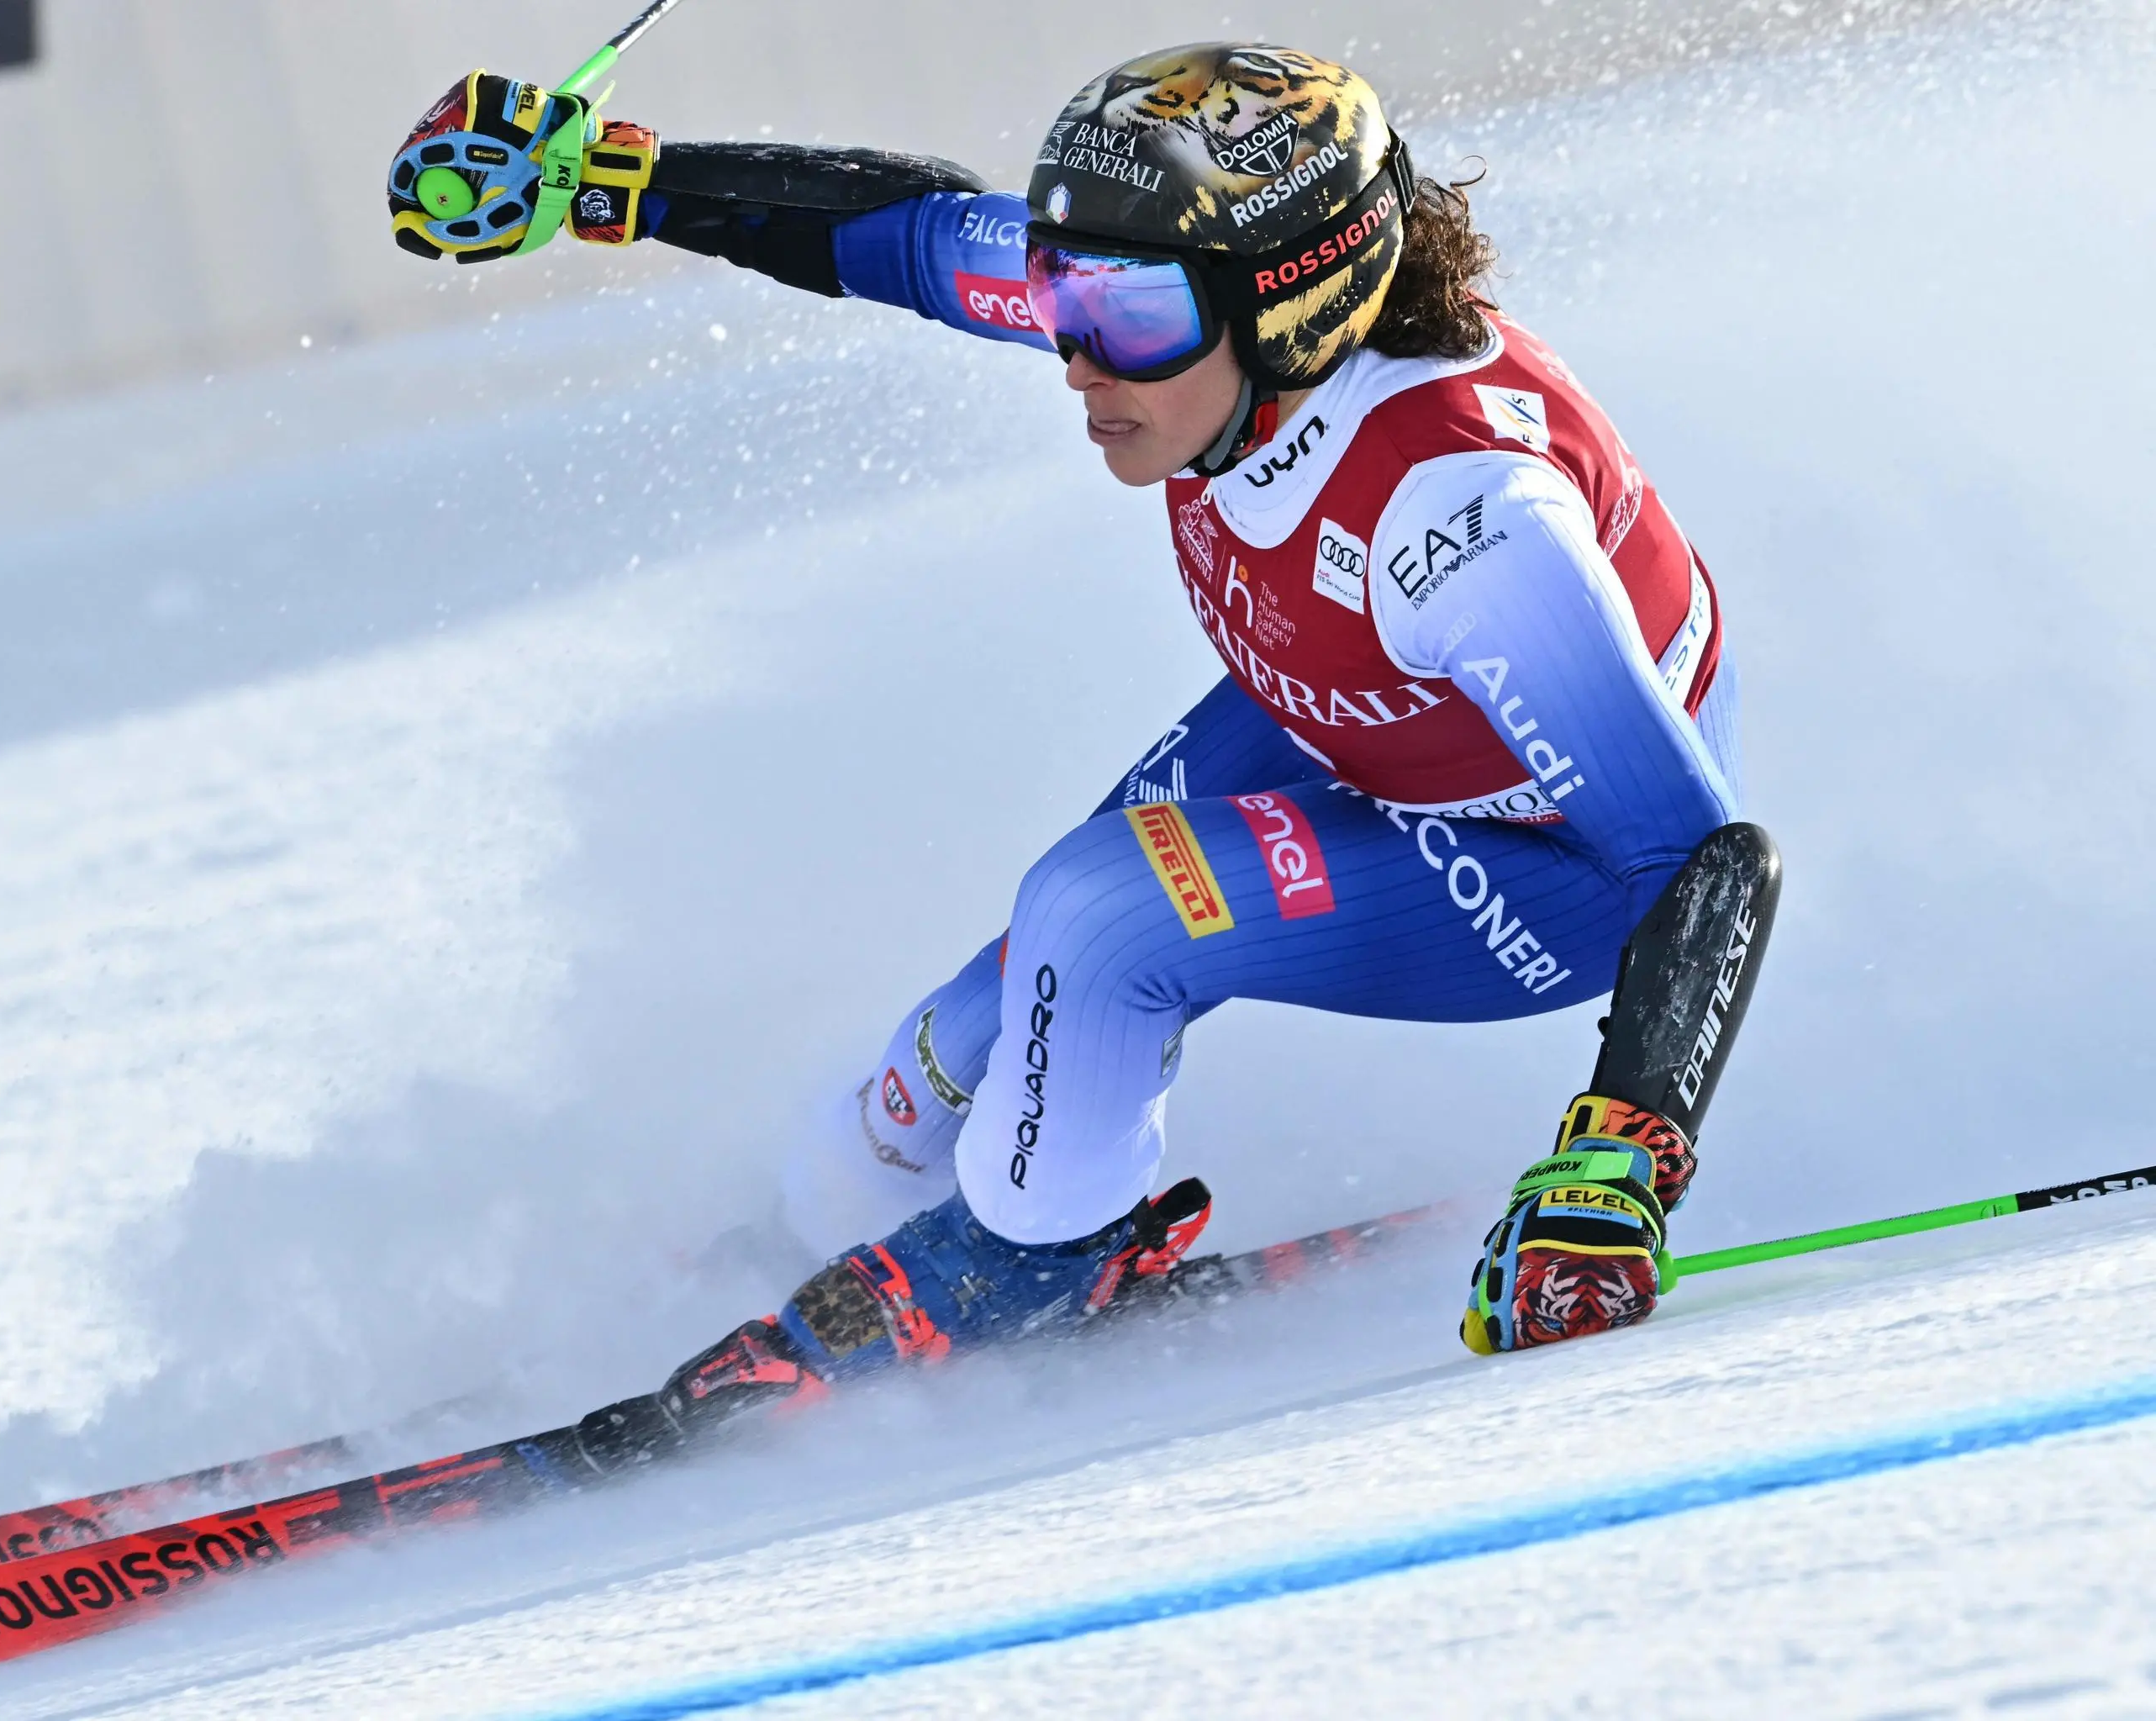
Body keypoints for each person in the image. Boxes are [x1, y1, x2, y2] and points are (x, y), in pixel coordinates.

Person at [384, 45, 1781, 1434]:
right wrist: (612, 181)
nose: (1072, 355)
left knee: (1101, 921)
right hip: (1366, 712)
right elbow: (920, 241)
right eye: (1061, 297)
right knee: (951, 1040)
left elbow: (1699, 853)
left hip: (1557, 855)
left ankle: (1025, 1258)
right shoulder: (1183, 318)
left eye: (1117, 313)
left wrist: (1616, 1165)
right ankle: (801, 1233)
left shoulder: (1460, 524)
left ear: (1296, 303)